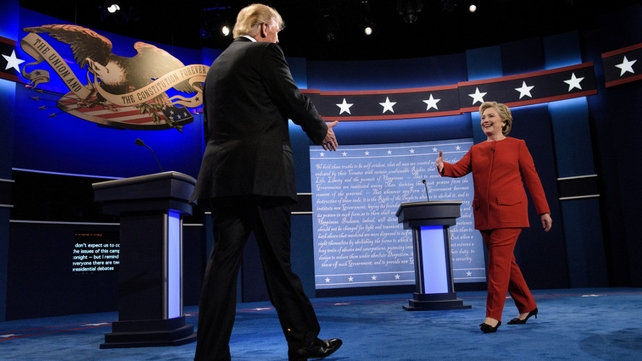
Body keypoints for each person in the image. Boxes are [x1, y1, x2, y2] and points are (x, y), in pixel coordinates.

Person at [190, 4, 342, 361]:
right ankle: (304, 340)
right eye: (276, 30)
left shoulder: (217, 67)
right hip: (264, 176)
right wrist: (319, 129)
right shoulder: (264, 52)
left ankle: (209, 354)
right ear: (263, 29)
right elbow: (292, 98)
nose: (278, 37)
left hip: (223, 177)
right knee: (278, 265)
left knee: (221, 268)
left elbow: (212, 127)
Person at [435, 101, 553, 333]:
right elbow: (458, 169)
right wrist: (443, 167)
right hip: (485, 215)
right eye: (482, 118)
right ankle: (527, 306)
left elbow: (533, 179)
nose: (485, 121)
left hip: (510, 213)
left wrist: (544, 210)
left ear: (503, 121)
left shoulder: (518, 146)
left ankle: (492, 316)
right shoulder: (476, 149)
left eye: (490, 116)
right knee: (506, 263)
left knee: (497, 265)